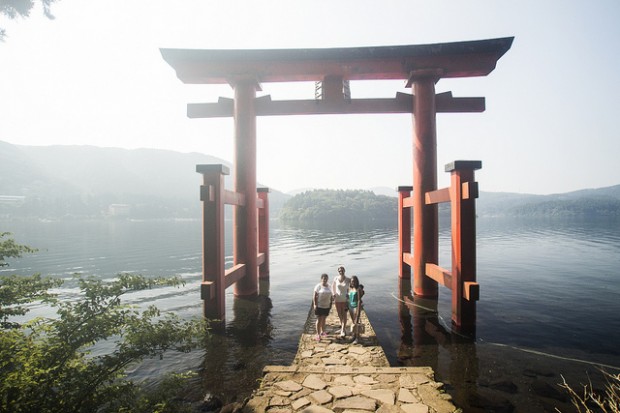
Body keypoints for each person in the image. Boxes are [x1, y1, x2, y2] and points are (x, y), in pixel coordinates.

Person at [331, 266, 350, 338]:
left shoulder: (348, 279)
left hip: (345, 299)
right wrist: (333, 294)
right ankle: (343, 326)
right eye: (339, 271)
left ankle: (343, 329)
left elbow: (352, 288)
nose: (341, 271)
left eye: (342, 270)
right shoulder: (336, 278)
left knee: (344, 314)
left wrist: (349, 294)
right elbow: (333, 287)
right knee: (339, 314)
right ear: (338, 271)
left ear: (344, 270)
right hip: (337, 299)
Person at [313, 273, 333, 341]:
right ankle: (318, 334)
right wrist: (315, 305)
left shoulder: (329, 286)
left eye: (326, 278)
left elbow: (331, 296)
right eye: (324, 278)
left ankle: (323, 332)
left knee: (324, 319)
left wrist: (330, 304)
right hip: (319, 305)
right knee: (319, 319)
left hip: (326, 305)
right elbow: (314, 296)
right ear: (321, 279)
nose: (325, 280)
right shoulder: (318, 286)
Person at [347, 275, 365, 344]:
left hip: (355, 307)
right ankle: (354, 335)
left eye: (354, 281)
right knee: (353, 322)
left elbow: (359, 300)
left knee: (356, 322)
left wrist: (358, 310)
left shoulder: (358, 289)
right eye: (352, 281)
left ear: (356, 282)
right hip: (350, 307)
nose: (353, 282)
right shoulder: (350, 289)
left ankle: (357, 338)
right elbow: (348, 298)